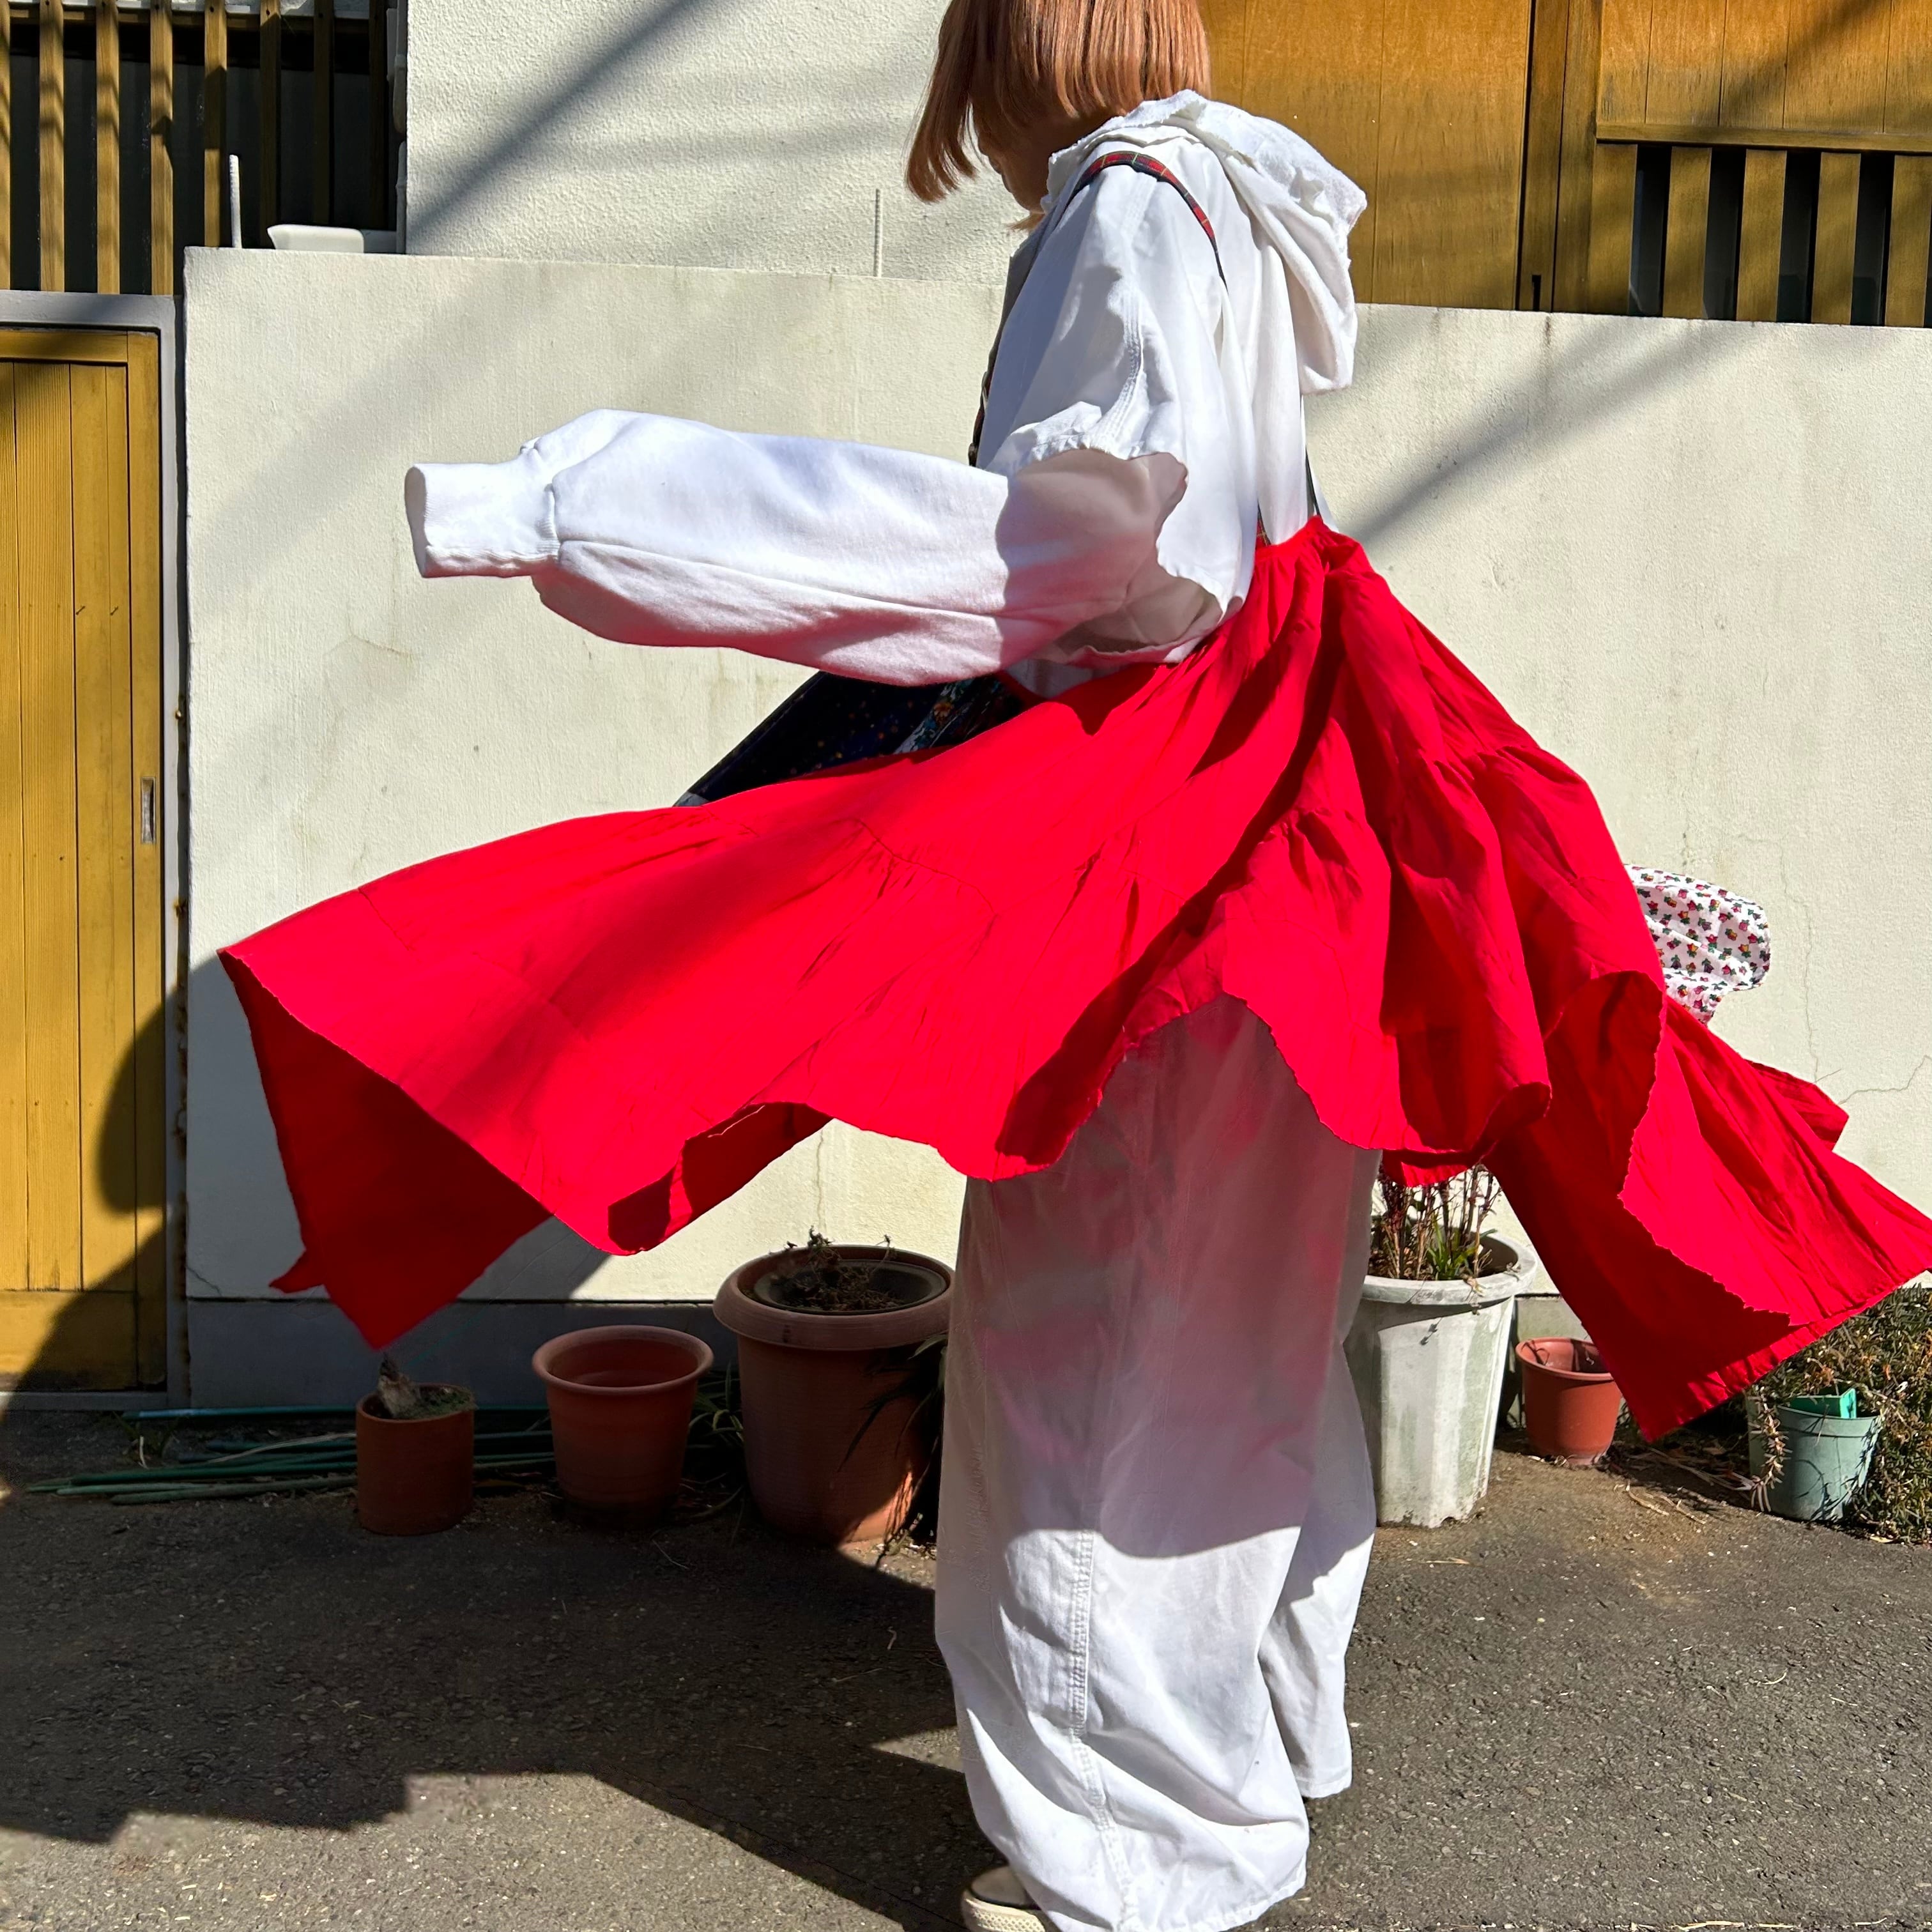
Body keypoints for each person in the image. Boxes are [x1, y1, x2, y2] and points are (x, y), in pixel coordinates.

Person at [220, 4, 1932, 1929]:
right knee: (1242, 1354)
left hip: (1170, 878)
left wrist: (582, 503)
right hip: (1293, 861)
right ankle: (1243, 1765)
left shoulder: (1128, 207)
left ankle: (1137, 1865)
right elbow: (1191, 552)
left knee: (1093, 1362)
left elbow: (1078, 556)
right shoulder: (1231, 218)